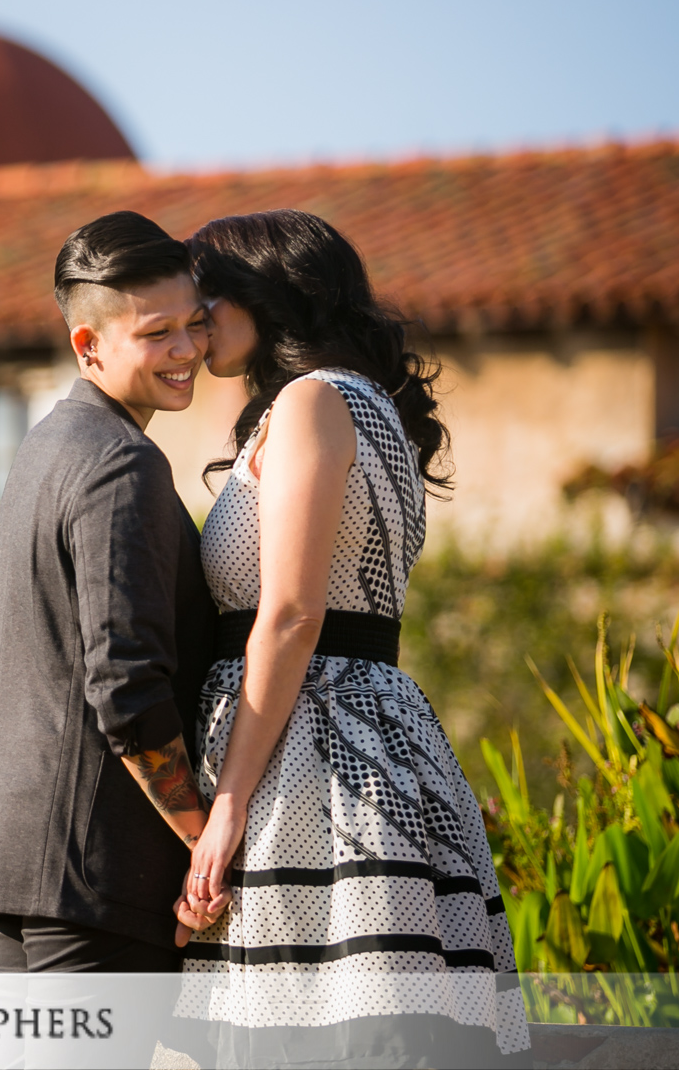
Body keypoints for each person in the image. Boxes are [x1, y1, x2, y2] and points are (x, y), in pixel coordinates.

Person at [170, 210, 531, 1067]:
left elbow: (292, 614)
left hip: (315, 758)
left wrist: (225, 810)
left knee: (322, 1031)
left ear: (267, 297)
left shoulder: (313, 401)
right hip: (353, 737)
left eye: (207, 299)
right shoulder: (351, 405)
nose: (193, 321)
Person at [0, 210, 218, 974]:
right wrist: (204, 839)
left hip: (14, 858)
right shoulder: (120, 463)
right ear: (89, 344)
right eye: (157, 333)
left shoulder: (46, 446)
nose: (187, 351)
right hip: (96, 868)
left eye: (194, 326)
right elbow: (126, 685)